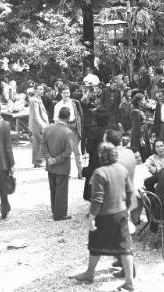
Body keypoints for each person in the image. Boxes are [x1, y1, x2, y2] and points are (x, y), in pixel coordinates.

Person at [71, 143, 135, 291]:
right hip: (121, 213)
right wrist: (128, 209)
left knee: (95, 245)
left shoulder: (99, 173)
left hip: (104, 215)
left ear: (101, 156)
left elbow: (97, 198)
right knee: (125, 247)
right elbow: (129, 191)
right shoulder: (122, 169)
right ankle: (129, 281)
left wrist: (91, 217)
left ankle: (90, 272)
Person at [42, 107, 76, 221]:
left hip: (50, 164)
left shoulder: (48, 128)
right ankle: (60, 214)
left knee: (53, 189)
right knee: (61, 190)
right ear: (68, 118)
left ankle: (54, 211)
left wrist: (49, 158)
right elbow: (68, 151)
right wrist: (56, 160)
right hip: (62, 166)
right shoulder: (69, 132)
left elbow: (43, 145)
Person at [53, 86, 84, 178]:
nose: (66, 95)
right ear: (60, 94)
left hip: (74, 127)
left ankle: (80, 172)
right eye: (64, 93)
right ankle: (66, 172)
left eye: (68, 93)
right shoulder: (58, 105)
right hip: (64, 128)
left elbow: (80, 115)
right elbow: (56, 119)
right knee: (66, 151)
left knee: (77, 151)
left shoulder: (75, 103)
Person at [83, 108, 110, 201]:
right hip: (109, 160)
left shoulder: (93, 130)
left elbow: (89, 148)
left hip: (95, 160)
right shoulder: (111, 129)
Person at [28, 84, 49, 168]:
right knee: (39, 142)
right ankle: (38, 161)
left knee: (38, 143)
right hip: (38, 125)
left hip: (38, 124)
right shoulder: (34, 100)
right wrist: (43, 126)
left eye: (42, 89)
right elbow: (36, 116)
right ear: (35, 90)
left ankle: (38, 161)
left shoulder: (38, 99)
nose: (41, 91)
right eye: (39, 89)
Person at [129, 93, 152, 161]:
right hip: (138, 135)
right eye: (143, 100)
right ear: (138, 102)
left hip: (143, 132)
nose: (144, 102)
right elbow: (136, 126)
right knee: (141, 152)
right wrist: (141, 139)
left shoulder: (139, 109)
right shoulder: (135, 111)